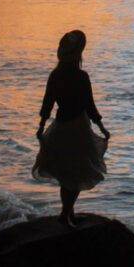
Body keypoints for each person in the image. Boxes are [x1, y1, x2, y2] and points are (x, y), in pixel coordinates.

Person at [32, 29, 110, 225]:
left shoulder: (55, 75)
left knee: (68, 174)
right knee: (76, 173)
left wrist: (42, 126)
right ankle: (66, 215)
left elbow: (47, 104)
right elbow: (89, 106)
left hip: (60, 127)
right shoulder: (81, 76)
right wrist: (101, 126)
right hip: (78, 129)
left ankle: (67, 213)